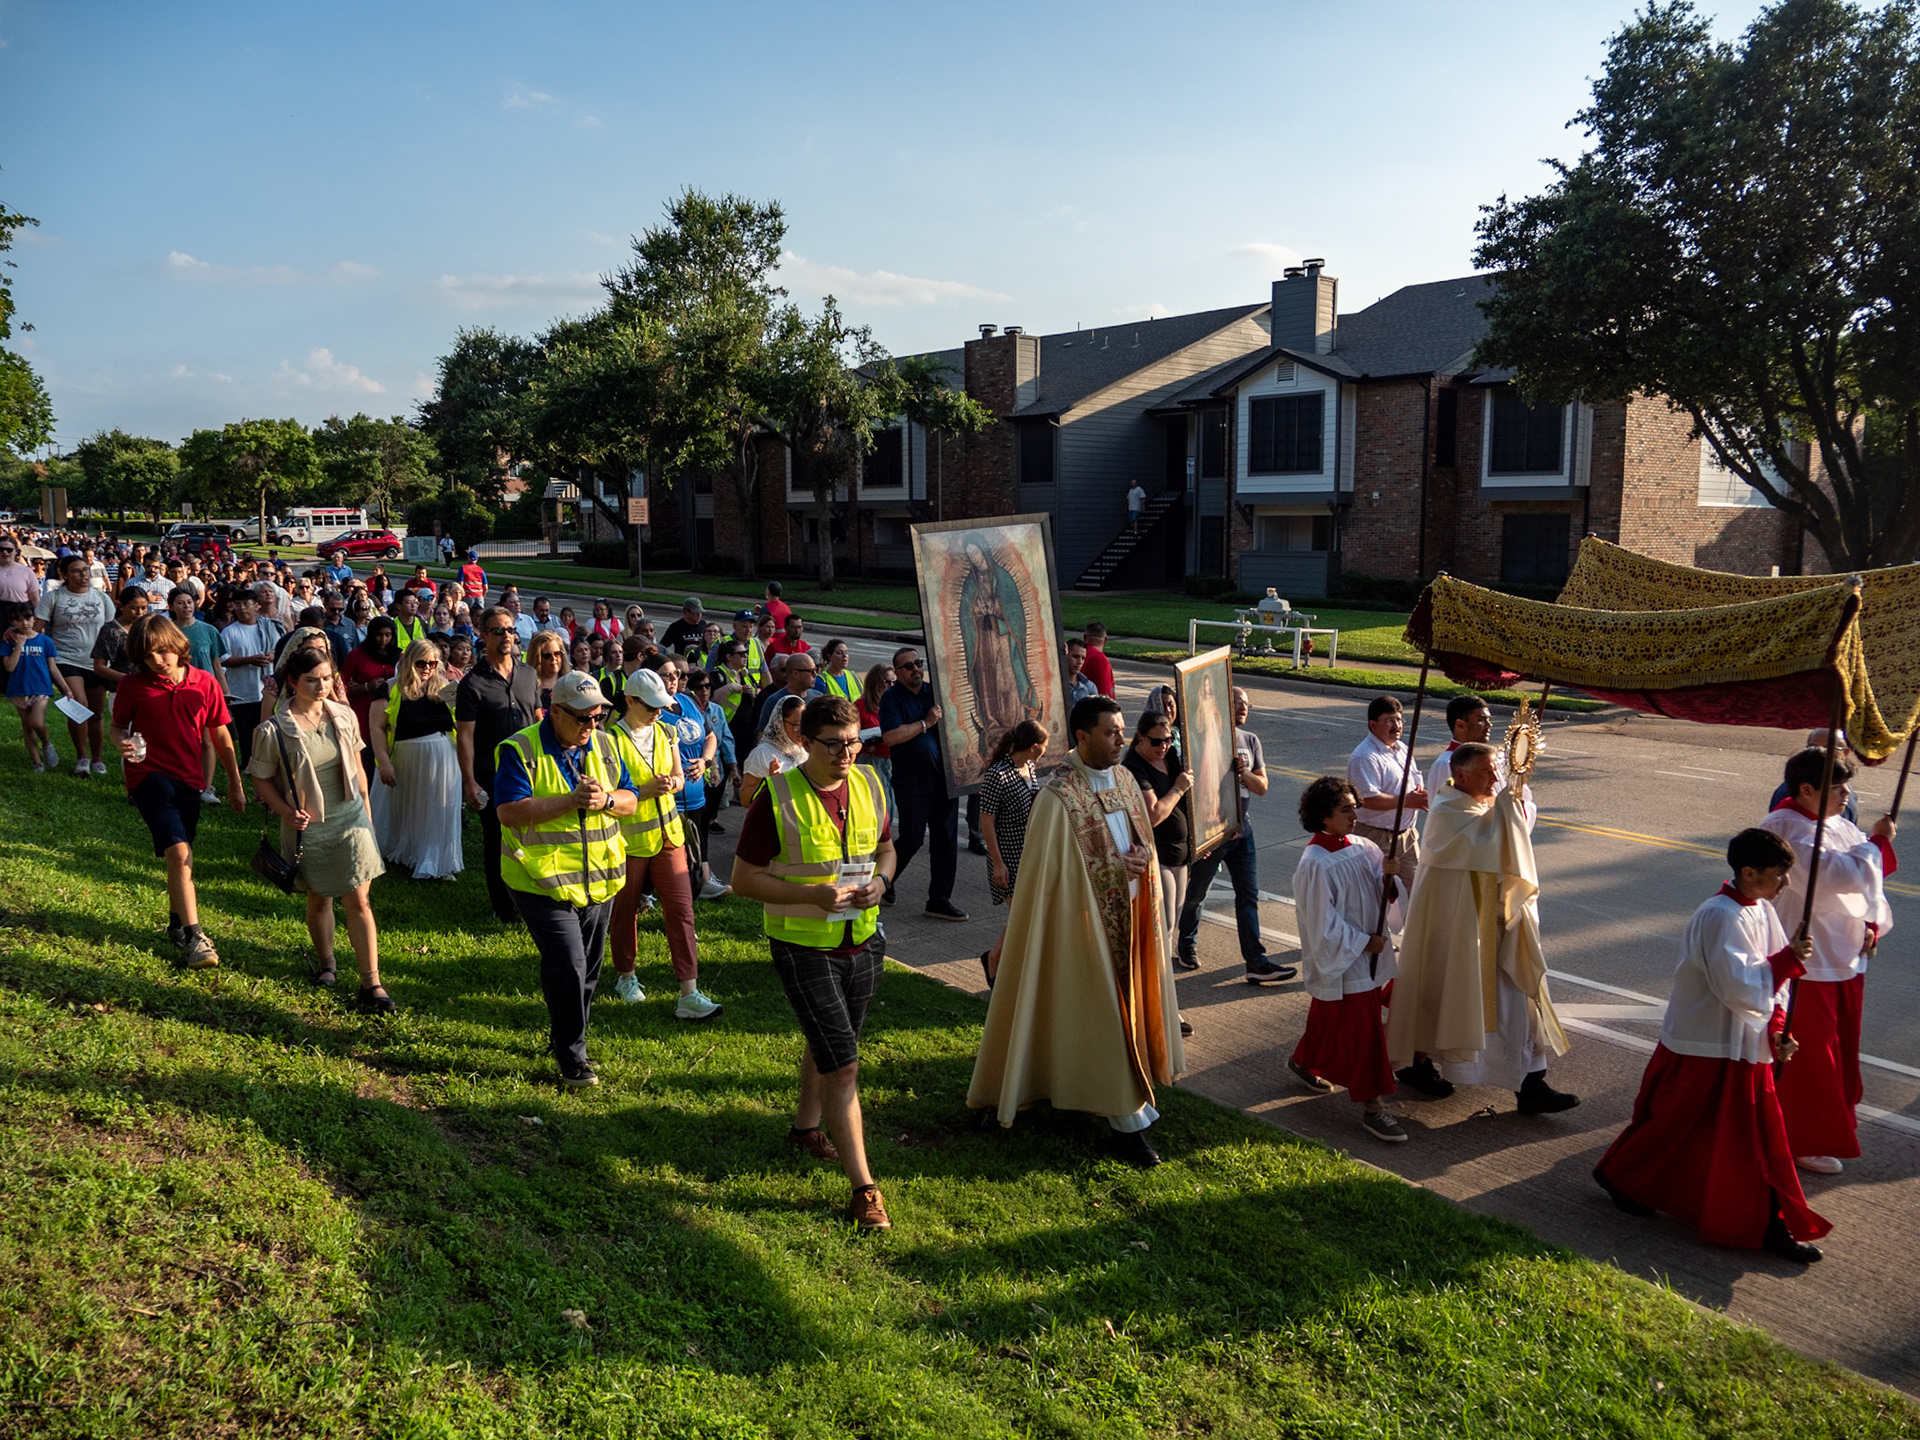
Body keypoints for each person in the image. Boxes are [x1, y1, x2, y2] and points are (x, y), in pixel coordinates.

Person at [1591, 827, 1828, 1263]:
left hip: (1742, 1040)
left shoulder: (1761, 908)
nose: (1786, 885)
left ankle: (1758, 1216)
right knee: (1684, 1126)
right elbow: (1736, 985)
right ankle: (1628, 1178)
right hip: (1709, 1043)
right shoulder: (1720, 915)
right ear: (1748, 872)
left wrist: (1777, 1026)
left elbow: (1771, 985)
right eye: (1779, 875)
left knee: (1717, 1133)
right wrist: (1788, 961)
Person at [968, 695, 1184, 1166]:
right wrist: (1114, 866)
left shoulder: (1126, 779)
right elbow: (1049, 877)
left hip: (1130, 923)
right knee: (1101, 1019)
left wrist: (1143, 861)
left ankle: (1048, 1082)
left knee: (1088, 1018)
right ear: (1082, 737)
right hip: (1080, 930)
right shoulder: (1058, 797)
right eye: (1110, 732)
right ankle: (1127, 1121)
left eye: (1121, 730)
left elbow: (1143, 844)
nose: (1119, 740)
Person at [729, 694, 896, 1231]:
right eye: (834, 744)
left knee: (829, 1044)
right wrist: (813, 898)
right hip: (803, 945)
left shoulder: (870, 784)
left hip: (863, 941)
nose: (846, 754)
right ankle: (865, 1189)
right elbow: (742, 879)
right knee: (843, 1064)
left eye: (853, 743)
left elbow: (888, 849)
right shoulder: (776, 795)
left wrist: (881, 882)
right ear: (805, 741)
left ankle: (805, 1129)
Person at [1385, 742, 1576, 1112]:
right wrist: (1509, 801)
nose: (1495, 778)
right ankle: (1417, 1063)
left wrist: (1513, 796)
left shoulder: (1485, 807)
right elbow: (1489, 843)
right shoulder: (1446, 811)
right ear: (1463, 775)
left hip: (1500, 926)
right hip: (1462, 935)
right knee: (1444, 996)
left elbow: (1509, 836)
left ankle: (1531, 1084)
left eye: (1497, 771)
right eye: (1488, 772)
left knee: (1520, 1001)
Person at [493, 670, 639, 1088]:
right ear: (553, 711)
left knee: (586, 971)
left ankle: (565, 1036)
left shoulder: (608, 745)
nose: (591, 726)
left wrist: (608, 799)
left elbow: (630, 799)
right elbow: (508, 812)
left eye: (598, 718)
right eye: (582, 718)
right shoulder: (520, 749)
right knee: (570, 963)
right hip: (539, 881)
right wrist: (568, 802)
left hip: (598, 881)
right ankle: (573, 1057)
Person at [1759, 747, 1895, 1176]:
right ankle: (1799, 1137)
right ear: (1806, 789)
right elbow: (1833, 879)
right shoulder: (1785, 829)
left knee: (1839, 1051)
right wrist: (1877, 844)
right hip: (1806, 962)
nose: (1846, 795)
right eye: (1837, 787)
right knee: (1810, 1058)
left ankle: (1826, 1127)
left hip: (1844, 957)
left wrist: (1872, 923)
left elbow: (1870, 886)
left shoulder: (1837, 824)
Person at [249, 648, 393, 1011]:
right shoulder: (273, 729)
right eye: (312, 679)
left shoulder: (343, 715)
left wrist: (369, 818)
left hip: (351, 816)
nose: (321, 686)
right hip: (308, 824)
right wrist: (285, 812)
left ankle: (371, 983)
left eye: (327, 678)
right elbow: (261, 780)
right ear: (292, 682)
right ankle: (327, 963)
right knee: (320, 897)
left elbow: (359, 769)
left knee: (359, 900)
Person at [108, 614, 246, 968]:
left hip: (190, 780)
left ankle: (175, 923)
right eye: (148, 655)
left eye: (163, 651)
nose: (158, 660)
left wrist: (234, 784)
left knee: (182, 853)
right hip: (147, 777)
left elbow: (221, 736)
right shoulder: (133, 685)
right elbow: (117, 727)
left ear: (177, 645)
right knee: (178, 852)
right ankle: (197, 937)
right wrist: (122, 743)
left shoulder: (205, 683)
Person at [1286, 776, 1406, 1143]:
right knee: (1365, 1029)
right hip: (1349, 954)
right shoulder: (1315, 863)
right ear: (1324, 816)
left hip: (1367, 948)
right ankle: (1373, 1107)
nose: (1355, 814)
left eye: (1355, 806)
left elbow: (1382, 891)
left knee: (1329, 1013)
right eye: (1346, 809)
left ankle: (1303, 1060)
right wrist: (1361, 942)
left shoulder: (1362, 845)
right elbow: (1320, 923)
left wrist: (1389, 879)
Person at [606, 667, 721, 1020]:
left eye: (661, 705)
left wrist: (672, 783)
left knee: (682, 910)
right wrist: (643, 791)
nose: (658, 712)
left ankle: (689, 992)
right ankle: (626, 976)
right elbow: (609, 792)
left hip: (670, 835)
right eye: (650, 706)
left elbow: (677, 778)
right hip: (628, 841)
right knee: (625, 912)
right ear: (629, 701)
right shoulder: (609, 740)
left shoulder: (667, 731)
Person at [1175, 687, 1294, 984]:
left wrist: (1243, 772)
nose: (1243, 708)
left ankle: (1255, 960)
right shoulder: (1206, 738)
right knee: (1196, 893)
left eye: (1246, 705)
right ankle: (1187, 942)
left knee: (1248, 896)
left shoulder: (1251, 741)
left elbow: (1262, 787)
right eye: (1237, 703)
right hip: (1213, 831)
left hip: (1243, 831)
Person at [456, 605, 542, 925]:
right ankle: (503, 906)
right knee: (496, 839)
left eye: (510, 630)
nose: (506, 636)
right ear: (483, 636)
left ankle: (532, 895)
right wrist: (469, 782)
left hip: (530, 771)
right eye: (498, 631)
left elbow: (537, 720)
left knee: (532, 835)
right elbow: (465, 736)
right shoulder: (473, 684)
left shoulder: (529, 675)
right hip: (490, 774)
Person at [879, 646, 966, 921]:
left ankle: (939, 899)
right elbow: (891, 737)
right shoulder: (891, 699)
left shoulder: (934, 692)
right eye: (908, 666)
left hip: (946, 779)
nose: (916, 668)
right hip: (912, 783)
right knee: (913, 838)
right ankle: (883, 879)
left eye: (918, 663)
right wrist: (925, 723)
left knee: (945, 841)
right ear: (897, 672)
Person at [370, 637, 463, 881]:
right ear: (410, 661)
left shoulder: (447, 686)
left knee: (438, 810)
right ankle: (403, 851)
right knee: (405, 808)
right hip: (405, 757)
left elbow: (464, 722)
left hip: (443, 758)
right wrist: (384, 763)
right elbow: (377, 728)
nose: (427, 669)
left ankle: (438, 861)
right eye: (422, 663)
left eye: (433, 664)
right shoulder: (390, 688)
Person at [1123, 709, 1194, 1028]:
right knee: (1161, 935)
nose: (1164, 746)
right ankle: (1163, 1007)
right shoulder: (1133, 768)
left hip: (1181, 857)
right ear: (1139, 738)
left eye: (1168, 740)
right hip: (1157, 857)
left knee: (1170, 929)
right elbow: (1152, 815)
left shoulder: (1172, 756)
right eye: (1156, 741)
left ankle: (1159, 1001)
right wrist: (1178, 787)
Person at [977, 719, 1048, 985]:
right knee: (1023, 916)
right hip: (1007, 855)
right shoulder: (998, 774)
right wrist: (998, 863)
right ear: (1032, 747)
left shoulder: (1029, 767)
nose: (1045, 751)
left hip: (1029, 852)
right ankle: (994, 960)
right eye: (1044, 746)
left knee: (1027, 915)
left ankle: (1005, 964)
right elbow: (987, 821)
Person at [652, 654, 727, 900]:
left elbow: (710, 736)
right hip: (670, 796)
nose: (675, 679)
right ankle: (656, 894)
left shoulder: (687, 700)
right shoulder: (652, 710)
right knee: (672, 852)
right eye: (668, 675)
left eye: (677, 675)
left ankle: (702, 883)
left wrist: (706, 761)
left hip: (696, 792)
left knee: (698, 841)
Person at [36, 553, 116, 776]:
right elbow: (35, 627)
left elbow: (111, 628)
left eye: (85, 570)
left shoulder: (101, 597)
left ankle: (97, 759)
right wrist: (16, 633)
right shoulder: (53, 597)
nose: (83, 575)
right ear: (64, 574)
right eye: (77, 571)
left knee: (97, 712)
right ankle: (82, 758)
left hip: (97, 661)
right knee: (79, 706)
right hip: (66, 658)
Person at [1347, 695, 1426, 896]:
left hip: (1407, 837)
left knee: (1416, 896)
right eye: (1389, 720)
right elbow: (1368, 799)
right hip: (1377, 838)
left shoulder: (1402, 750)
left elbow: (1411, 786)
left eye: (1399, 720)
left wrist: (1419, 796)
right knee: (1373, 896)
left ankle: (1412, 929)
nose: (1396, 725)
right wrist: (1408, 801)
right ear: (1372, 725)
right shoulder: (1365, 756)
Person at [218, 588, 279, 773]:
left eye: (247, 604)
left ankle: (267, 762)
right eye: (238, 604)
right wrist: (249, 660)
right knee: (246, 731)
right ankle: (247, 764)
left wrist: (271, 656)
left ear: (256, 606)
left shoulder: (268, 627)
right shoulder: (229, 632)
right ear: (233, 606)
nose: (243, 608)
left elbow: (281, 650)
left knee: (267, 729)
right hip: (242, 691)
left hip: (266, 690)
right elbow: (223, 659)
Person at [342, 618, 401, 771]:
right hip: (364, 715)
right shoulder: (357, 656)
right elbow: (341, 687)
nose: (383, 640)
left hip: (392, 713)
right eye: (379, 635)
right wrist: (366, 687)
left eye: (388, 635)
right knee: (367, 761)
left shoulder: (399, 657)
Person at [4, 610, 60, 770]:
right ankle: (37, 762)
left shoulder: (45, 641)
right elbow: (9, 667)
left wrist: (65, 688)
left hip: (40, 688)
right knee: (27, 727)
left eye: (28, 619)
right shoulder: (9, 641)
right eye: (19, 620)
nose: (24, 623)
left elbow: (52, 667)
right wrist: (19, 646)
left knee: (37, 723)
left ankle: (46, 743)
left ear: (34, 619)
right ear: (13, 622)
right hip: (18, 690)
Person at [1769, 729, 1860, 825]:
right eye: (1812, 747)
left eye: (1827, 748)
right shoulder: (1789, 793)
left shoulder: (1846, 788)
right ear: (1806, 790)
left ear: (1846, 752)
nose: (1819, 752)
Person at [742, 693, 809, 807]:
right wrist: (771, 784)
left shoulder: (808, 749)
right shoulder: (761, 754)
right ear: (780, 723)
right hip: (774, 820)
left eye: (805, 724)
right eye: (796, 725)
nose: (801, 730)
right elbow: (745, 800)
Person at [855, 662, 896, 830]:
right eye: (888, 682)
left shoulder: (892, 704)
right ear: (876, 682)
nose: (891, 686)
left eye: (894, 682)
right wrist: (865, 744)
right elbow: (852, 736)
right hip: (871, 760)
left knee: (890, 805)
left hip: (891, 759)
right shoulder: (860, 706)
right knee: (880, 806)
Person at [756, 649, 823, 731]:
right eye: (811, 671)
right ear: (796, 674)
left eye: (816, 670)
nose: (815, 675)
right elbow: (762, 735)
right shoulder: (774, 701)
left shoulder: (818, 698)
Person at [0, 533, 41, 629]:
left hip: (20, 612)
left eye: (9, 550)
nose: (5, 552)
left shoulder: (26, 571)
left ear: (16, 552)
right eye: (1, 549)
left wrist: (38, 621)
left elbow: (35, 599)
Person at [526, 630, 569, 713]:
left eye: (557, 654)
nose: (553, 659)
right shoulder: (528, 686)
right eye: (547, 655)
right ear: (537, 658)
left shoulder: (571, 682)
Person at [1080, 622, 1115, 698]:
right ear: (1105, 639)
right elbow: (1104, 692)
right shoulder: (1100, 660)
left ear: (1085, 637)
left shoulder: (1075, 654)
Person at [1064, 637, 1097, 706]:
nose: (1080, 662)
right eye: (1075, 656)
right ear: (1065, 656)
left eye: (1083, 658)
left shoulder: (1090, 687)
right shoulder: (1054, 684)